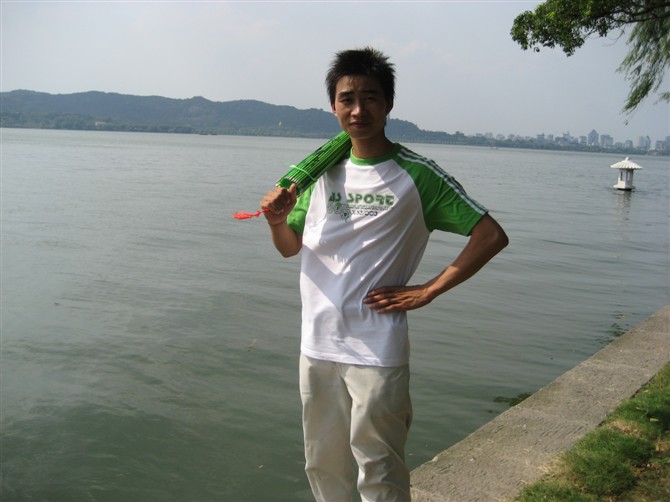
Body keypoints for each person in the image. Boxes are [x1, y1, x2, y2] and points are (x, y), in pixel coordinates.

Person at [260, 47, 508, 502]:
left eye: (370, 98)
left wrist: (428, 290)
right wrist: (277, 222)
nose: (358, 110)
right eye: (347, 99)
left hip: (376, 349)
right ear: (333, 106)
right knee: (323, 463)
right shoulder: (317, 174)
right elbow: (290, 248)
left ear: (389, 104)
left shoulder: (416, 175)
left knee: (379, 468)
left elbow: (490, 235)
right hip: (317, 344)